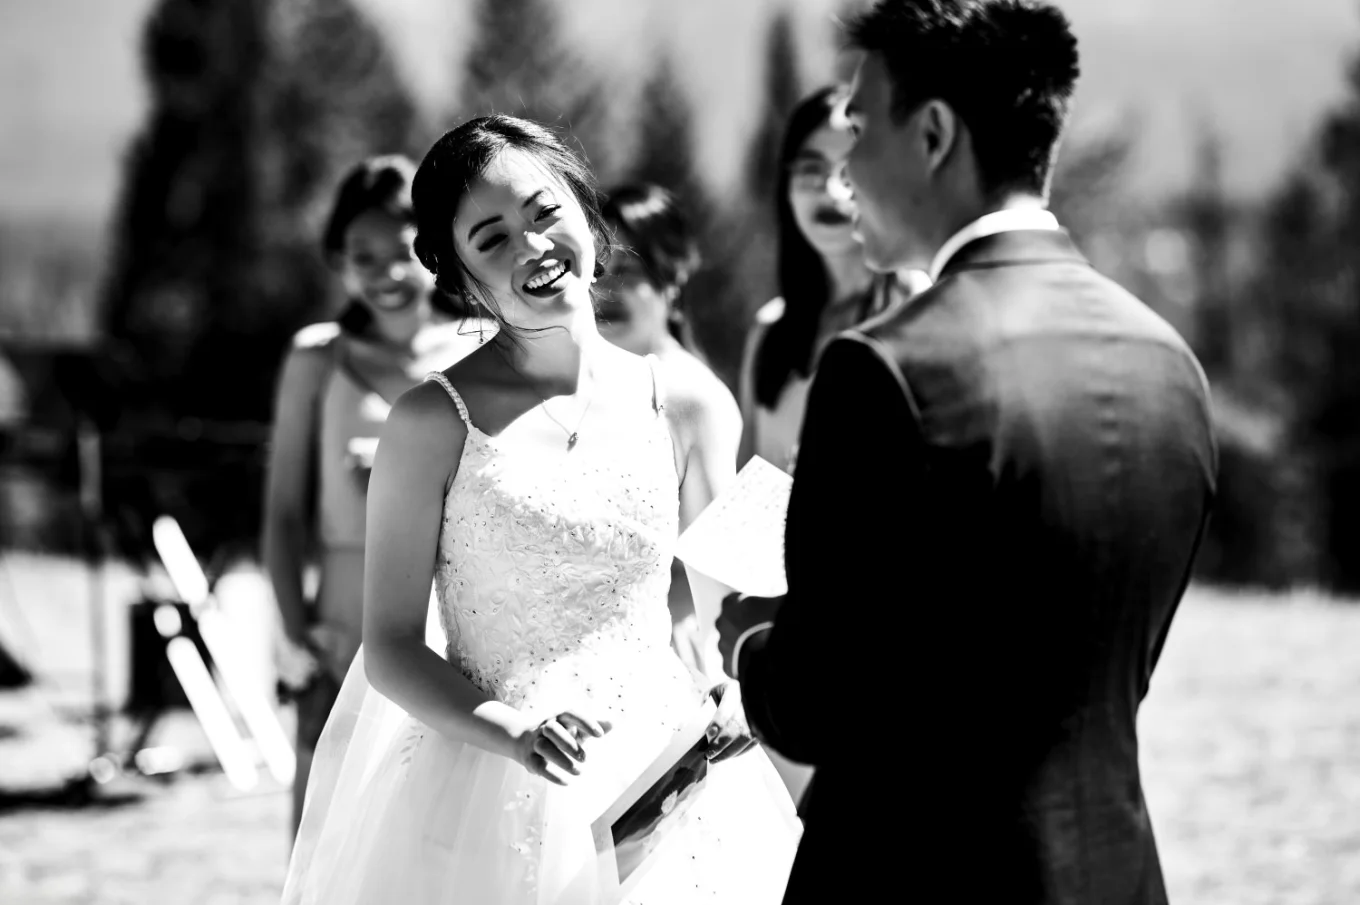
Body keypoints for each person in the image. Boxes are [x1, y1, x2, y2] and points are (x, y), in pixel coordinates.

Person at [718, 2, 1218, 904]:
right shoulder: (1167, 360)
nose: (845, 177)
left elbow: (813, 701)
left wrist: (749, 643)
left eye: (860, 129)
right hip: (1115, 868)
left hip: (914, 868)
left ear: (935, 132)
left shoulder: (887, 365)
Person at [281, 115, 799, 905]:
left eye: (543, 211)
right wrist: (514, 734)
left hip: (667, 776)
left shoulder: (691, 401)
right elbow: (388, 646)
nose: (531, 247)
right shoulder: (429, 421)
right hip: (487, 781)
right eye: (490, 238)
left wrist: (729, 692)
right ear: (458, 275)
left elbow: (712, 607)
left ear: (586, 213)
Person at [263, 154, 483, 839]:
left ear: (432, 251)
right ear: (337, 260)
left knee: (427, 831)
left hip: (449, 626)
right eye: (363, 256)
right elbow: (283, 512)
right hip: (341, 623)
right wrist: (295, 637)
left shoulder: (477, 349)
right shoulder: (316, 357)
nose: (386, 274)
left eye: (400, 253)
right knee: (326, 826)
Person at [738, 85, 930, 474]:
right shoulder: (768, 331)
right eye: (810, 170)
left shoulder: (920, 310)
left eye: (847, 171)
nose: (828, 191)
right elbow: (744, 479)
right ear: (785, 188)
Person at [596, 182, 741, 680]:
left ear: (672, 278)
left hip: (668, 654)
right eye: (596, 270)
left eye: (628, 272)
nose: (606, 290)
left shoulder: (692, 395)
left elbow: (720, 566)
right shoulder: (580, 385)